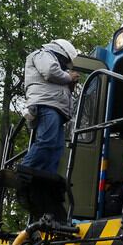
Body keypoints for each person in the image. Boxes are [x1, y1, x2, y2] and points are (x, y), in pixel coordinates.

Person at [21, 39, 80, 174]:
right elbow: (50, 71)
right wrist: (69, 77)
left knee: (57, 148)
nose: (65, 65)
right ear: (61, 52)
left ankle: (46, 177)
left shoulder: (56, 65)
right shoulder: (43, 54)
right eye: (65, 61)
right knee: (46, 141)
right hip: (46, 104)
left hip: (55, 107)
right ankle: (24, 171)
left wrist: (70, 83)